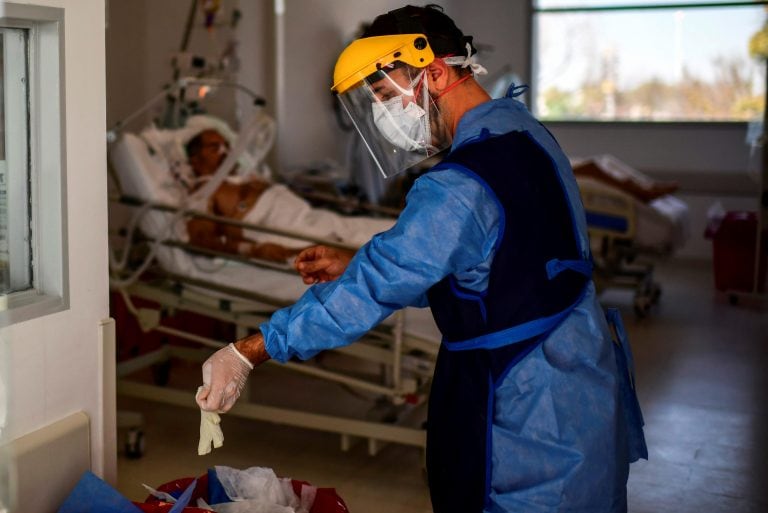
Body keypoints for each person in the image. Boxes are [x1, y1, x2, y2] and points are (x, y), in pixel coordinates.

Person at [196, 5, 647, 512]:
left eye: (388, 97)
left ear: (433, 71)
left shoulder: (456, 183)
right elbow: (499, 258)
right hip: (578, 374)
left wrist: (249, 351)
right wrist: (358, 259)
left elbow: (374, 287)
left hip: (524, 409)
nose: (387, 118)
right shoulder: (523, 131)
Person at [182, 128, 395, 263]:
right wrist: (251, 249)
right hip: (288, 231)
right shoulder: (204, 192)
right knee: (377, 249)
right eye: (213, 148)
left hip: (313, 219)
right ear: (195, 160)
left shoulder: (241, 177)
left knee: (396, 231)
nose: (224, 151)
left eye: (225, 145)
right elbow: (200, 238)